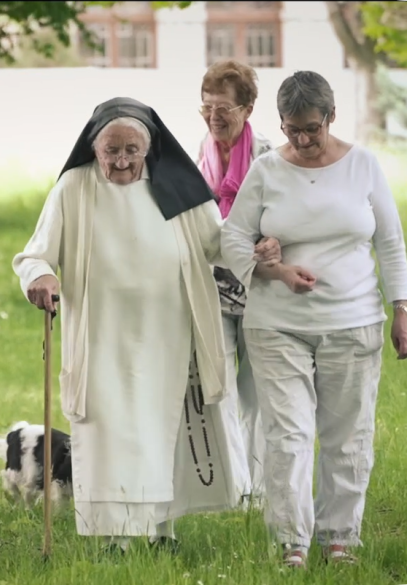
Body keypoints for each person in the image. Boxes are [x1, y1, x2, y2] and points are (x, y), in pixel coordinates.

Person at [11, 97, 280, 552]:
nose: (120, 161)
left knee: (161, 434)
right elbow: (36, 253)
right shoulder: (73, 188)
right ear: (93, 149)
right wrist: (40, 275)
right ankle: (116, 538)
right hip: (100, 336)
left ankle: (160, 531)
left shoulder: (178, 185)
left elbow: (219, 244)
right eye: (111, 151)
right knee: (111, 430)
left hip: (168, 334)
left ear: (149, 148)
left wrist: (257, 248)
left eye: (131, 151)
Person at [221, 71, 407, 569]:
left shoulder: (363, 165)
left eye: (311, 128)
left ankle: (340, 536)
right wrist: (276, 270)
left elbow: (390, 242)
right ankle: (292, 542)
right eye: (291, 130)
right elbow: (232, 239)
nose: (302, 140)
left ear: (330, 117)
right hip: (276, 323)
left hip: (354, 319)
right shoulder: (265, 171)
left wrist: (402, 307)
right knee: (289, 433)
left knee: (348, 434)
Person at [195, 60, 275, 506]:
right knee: (221, 386)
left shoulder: (267, 155)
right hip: (213, 287)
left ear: (247, 107)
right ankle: (238, 486)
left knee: (257, 393)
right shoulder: (198, 155)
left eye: (223, 107)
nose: (213, 116)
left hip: (259, 287)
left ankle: (261, 487)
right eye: (206, 107)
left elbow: (283, 215)